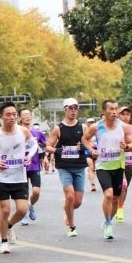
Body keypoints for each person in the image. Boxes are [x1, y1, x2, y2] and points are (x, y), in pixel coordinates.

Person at [0, 102, 38, 253]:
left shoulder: (23, 131)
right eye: (8, 115)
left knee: (22, 210)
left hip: (19, 178)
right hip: (2, 178)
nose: (12, 117)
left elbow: (34, 144)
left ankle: (9, 226)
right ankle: (4, 242)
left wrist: (29, 156)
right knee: (5, 210)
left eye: (14, 114)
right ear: (1, 117)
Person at [83, 100, 132, 240]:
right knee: (108, 195)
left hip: (118, 165)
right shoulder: (96, 126)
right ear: (104, 111)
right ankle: (108, 223)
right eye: (111, 109)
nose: (114, 112)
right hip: (102, 166)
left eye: (116, 109)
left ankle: (108, 221)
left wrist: (127, 146)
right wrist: (91, 150)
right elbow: (85, 138)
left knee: (116, 197)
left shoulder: (124, 127)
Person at [45, 98, 87, 237]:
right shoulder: (58, 128)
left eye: (75, 108)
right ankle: (72, 226)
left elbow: (89, 143)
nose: (73, 110)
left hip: (79, 166)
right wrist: (56, 150)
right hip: (64, 167)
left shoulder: (83, 127)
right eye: (70, 108)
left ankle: (67, 212)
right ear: (65, 109)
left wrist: (84, 147)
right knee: (69, 195)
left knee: (78, 201)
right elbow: (48, 146)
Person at [19, 109, 46, 225]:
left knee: (36, 191)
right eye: (24, 115)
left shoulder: (38, 133)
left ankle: (30, 205)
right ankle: (24, 215)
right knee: (23, 194)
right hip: (20, 167)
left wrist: (45, 158)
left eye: (29, 114)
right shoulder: (16, 132)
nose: (27, 117)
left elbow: (46, 145)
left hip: (34, 166)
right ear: (19, 118)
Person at [116, 106, 132, 223]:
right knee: (121, 185)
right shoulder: (112, 128)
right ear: (118, 115)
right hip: (114, 161)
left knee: (125, 186)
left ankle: (120, 206)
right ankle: (118, 208)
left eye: (128, 114)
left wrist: (130, 146)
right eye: (123, 114)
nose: (125, 116)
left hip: (128, 161)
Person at [85, 118, 98, 192]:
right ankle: (92, 184)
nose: (91, 123)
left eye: (92, 122)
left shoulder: (97, 131)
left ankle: (91, 176)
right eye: (89, 122)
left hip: (97, 152)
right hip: (88, 152)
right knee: (91, 167)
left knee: (95, 168)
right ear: (87, 123)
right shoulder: (85, 132)